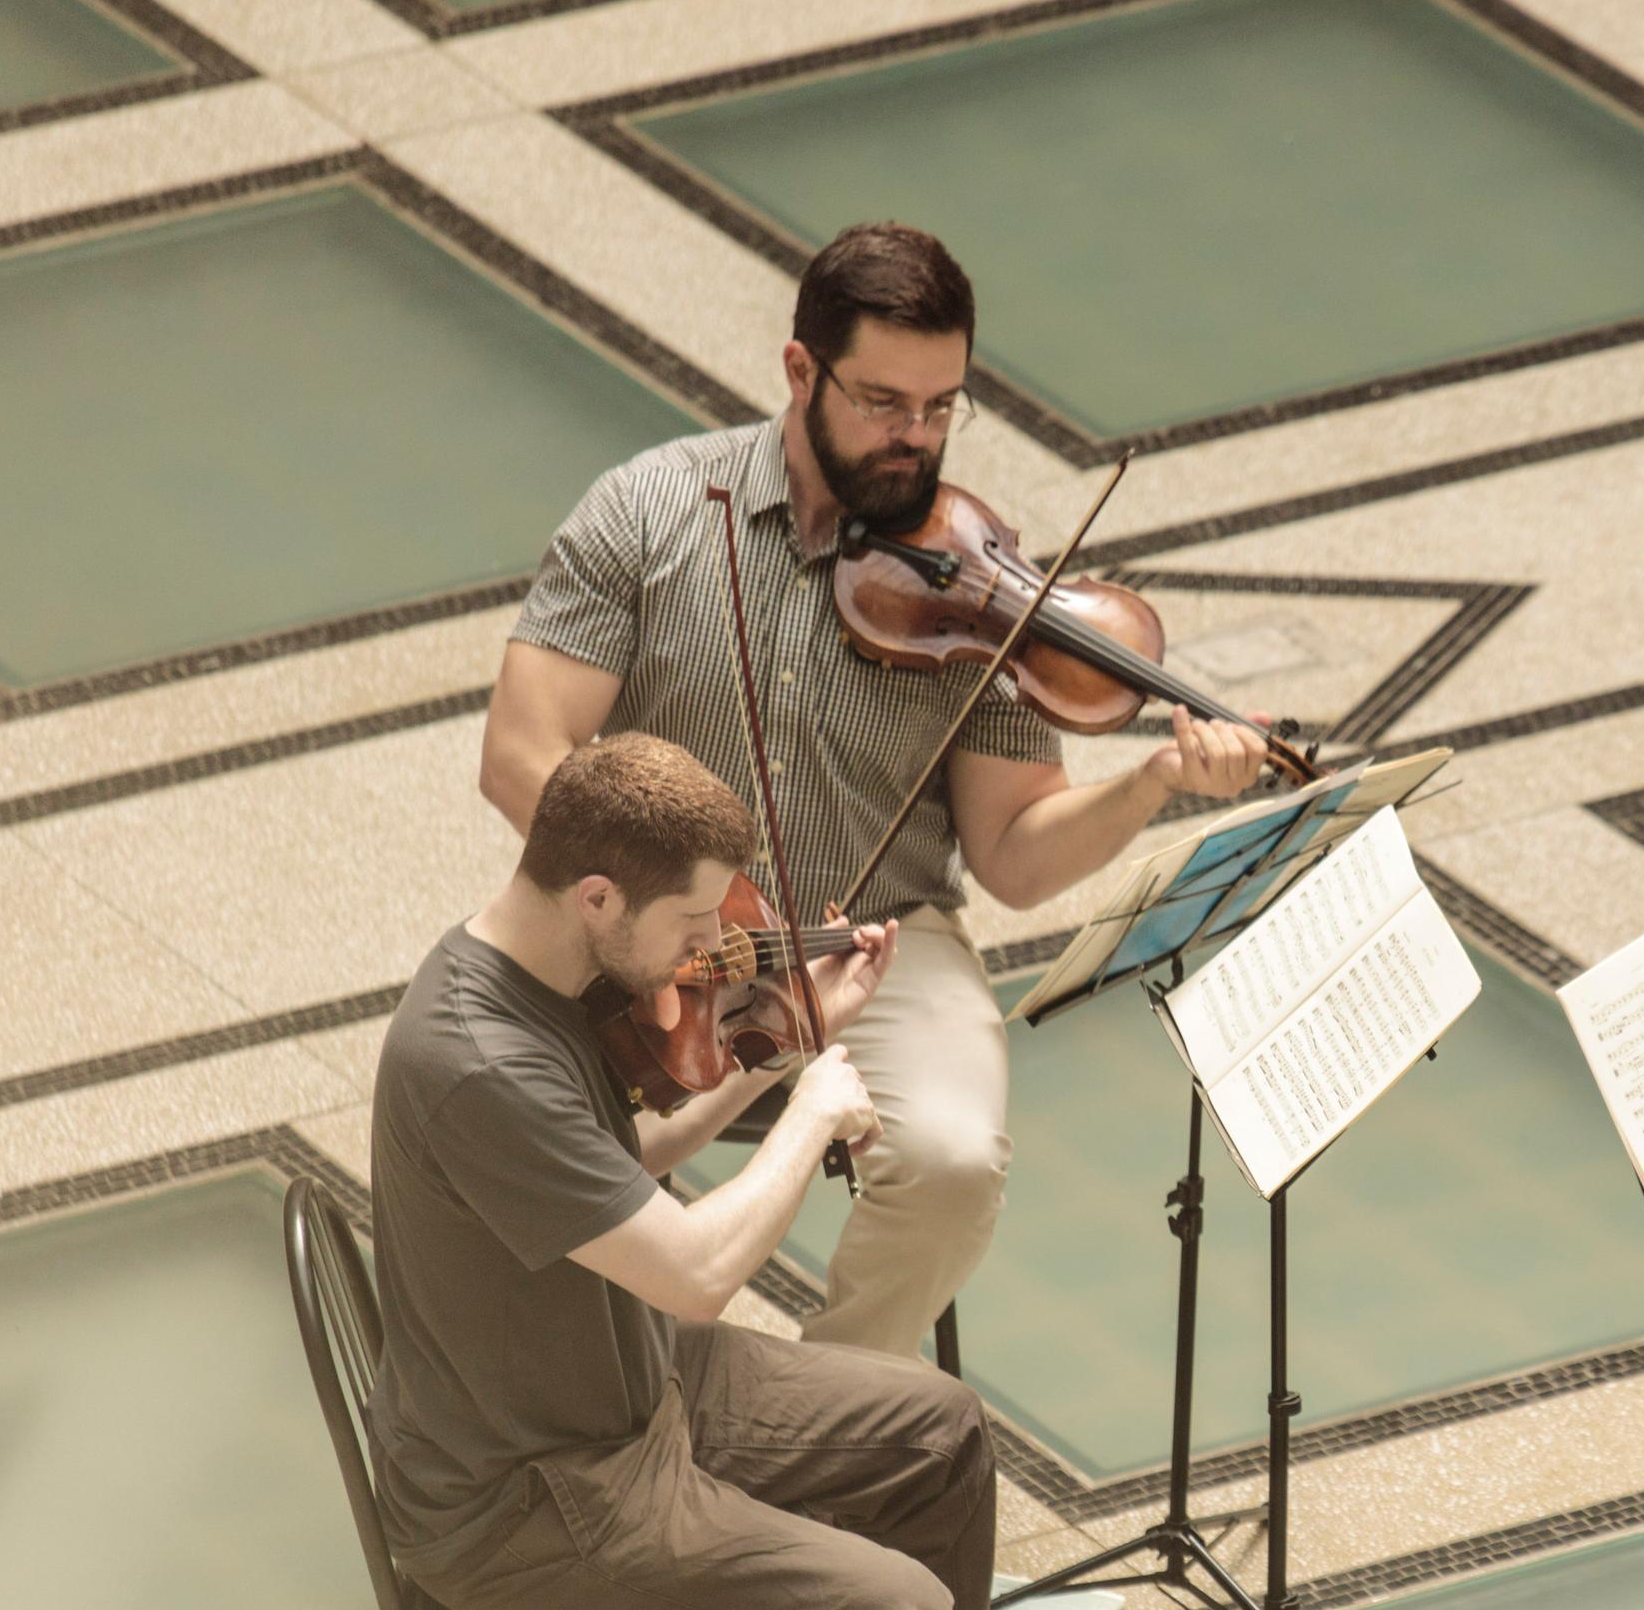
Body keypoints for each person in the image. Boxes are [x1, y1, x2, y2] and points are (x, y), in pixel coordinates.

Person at [367, 734, 1060, 1610]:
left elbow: (629, 1156)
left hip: (628, 1389)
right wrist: (810, 1122)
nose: (707, 947)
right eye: (691, 919)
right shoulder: (477, 1059)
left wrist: (790, 1042)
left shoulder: (542, 973)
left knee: (940, 1432)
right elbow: (690, 1268)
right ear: (599, 897)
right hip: (539, 1497)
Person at [479, 221, 1272, 1361]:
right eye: (883, 403)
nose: (917, 440)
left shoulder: (981, 575)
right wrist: (676, 912)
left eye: (943, 408)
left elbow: (1012, 852)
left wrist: (1149, 781)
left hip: (880, 941)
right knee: (536, 1153)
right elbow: (520, 753)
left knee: (951, 1161)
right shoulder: (647, 513)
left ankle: (830, 1412)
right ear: (801, 371)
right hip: (658, 935)